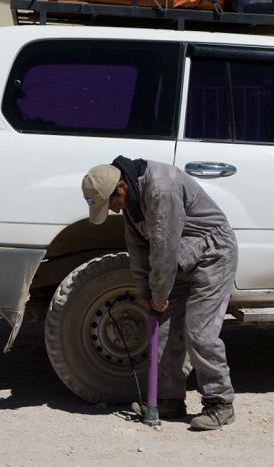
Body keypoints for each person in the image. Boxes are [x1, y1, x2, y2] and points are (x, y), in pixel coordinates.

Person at [81, 156, 238, 430]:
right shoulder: (131, 197)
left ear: (121, 187)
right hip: (181, 260)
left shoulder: (160, 189)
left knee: (199, 331)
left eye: (111, 204)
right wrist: (145, 290)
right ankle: (168, 399)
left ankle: (220, 403)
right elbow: (137, 248)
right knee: (164, 329)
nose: (114, 211)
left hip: (213, 254)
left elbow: (164, 250)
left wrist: (157, 295)